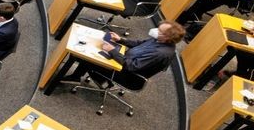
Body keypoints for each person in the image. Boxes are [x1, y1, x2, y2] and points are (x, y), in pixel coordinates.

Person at [53, 21, 184, 86]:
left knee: (87, 56)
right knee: (94, 46)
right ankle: (89, 75)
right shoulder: (159, 40)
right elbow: (139, 43)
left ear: (167, 37)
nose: (155, 31)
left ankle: (76, 77)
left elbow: (132, 66)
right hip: (125, 59)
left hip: (127, 75)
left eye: (160, 31)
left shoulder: (160, 53)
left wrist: (113, 51)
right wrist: (121, 40)